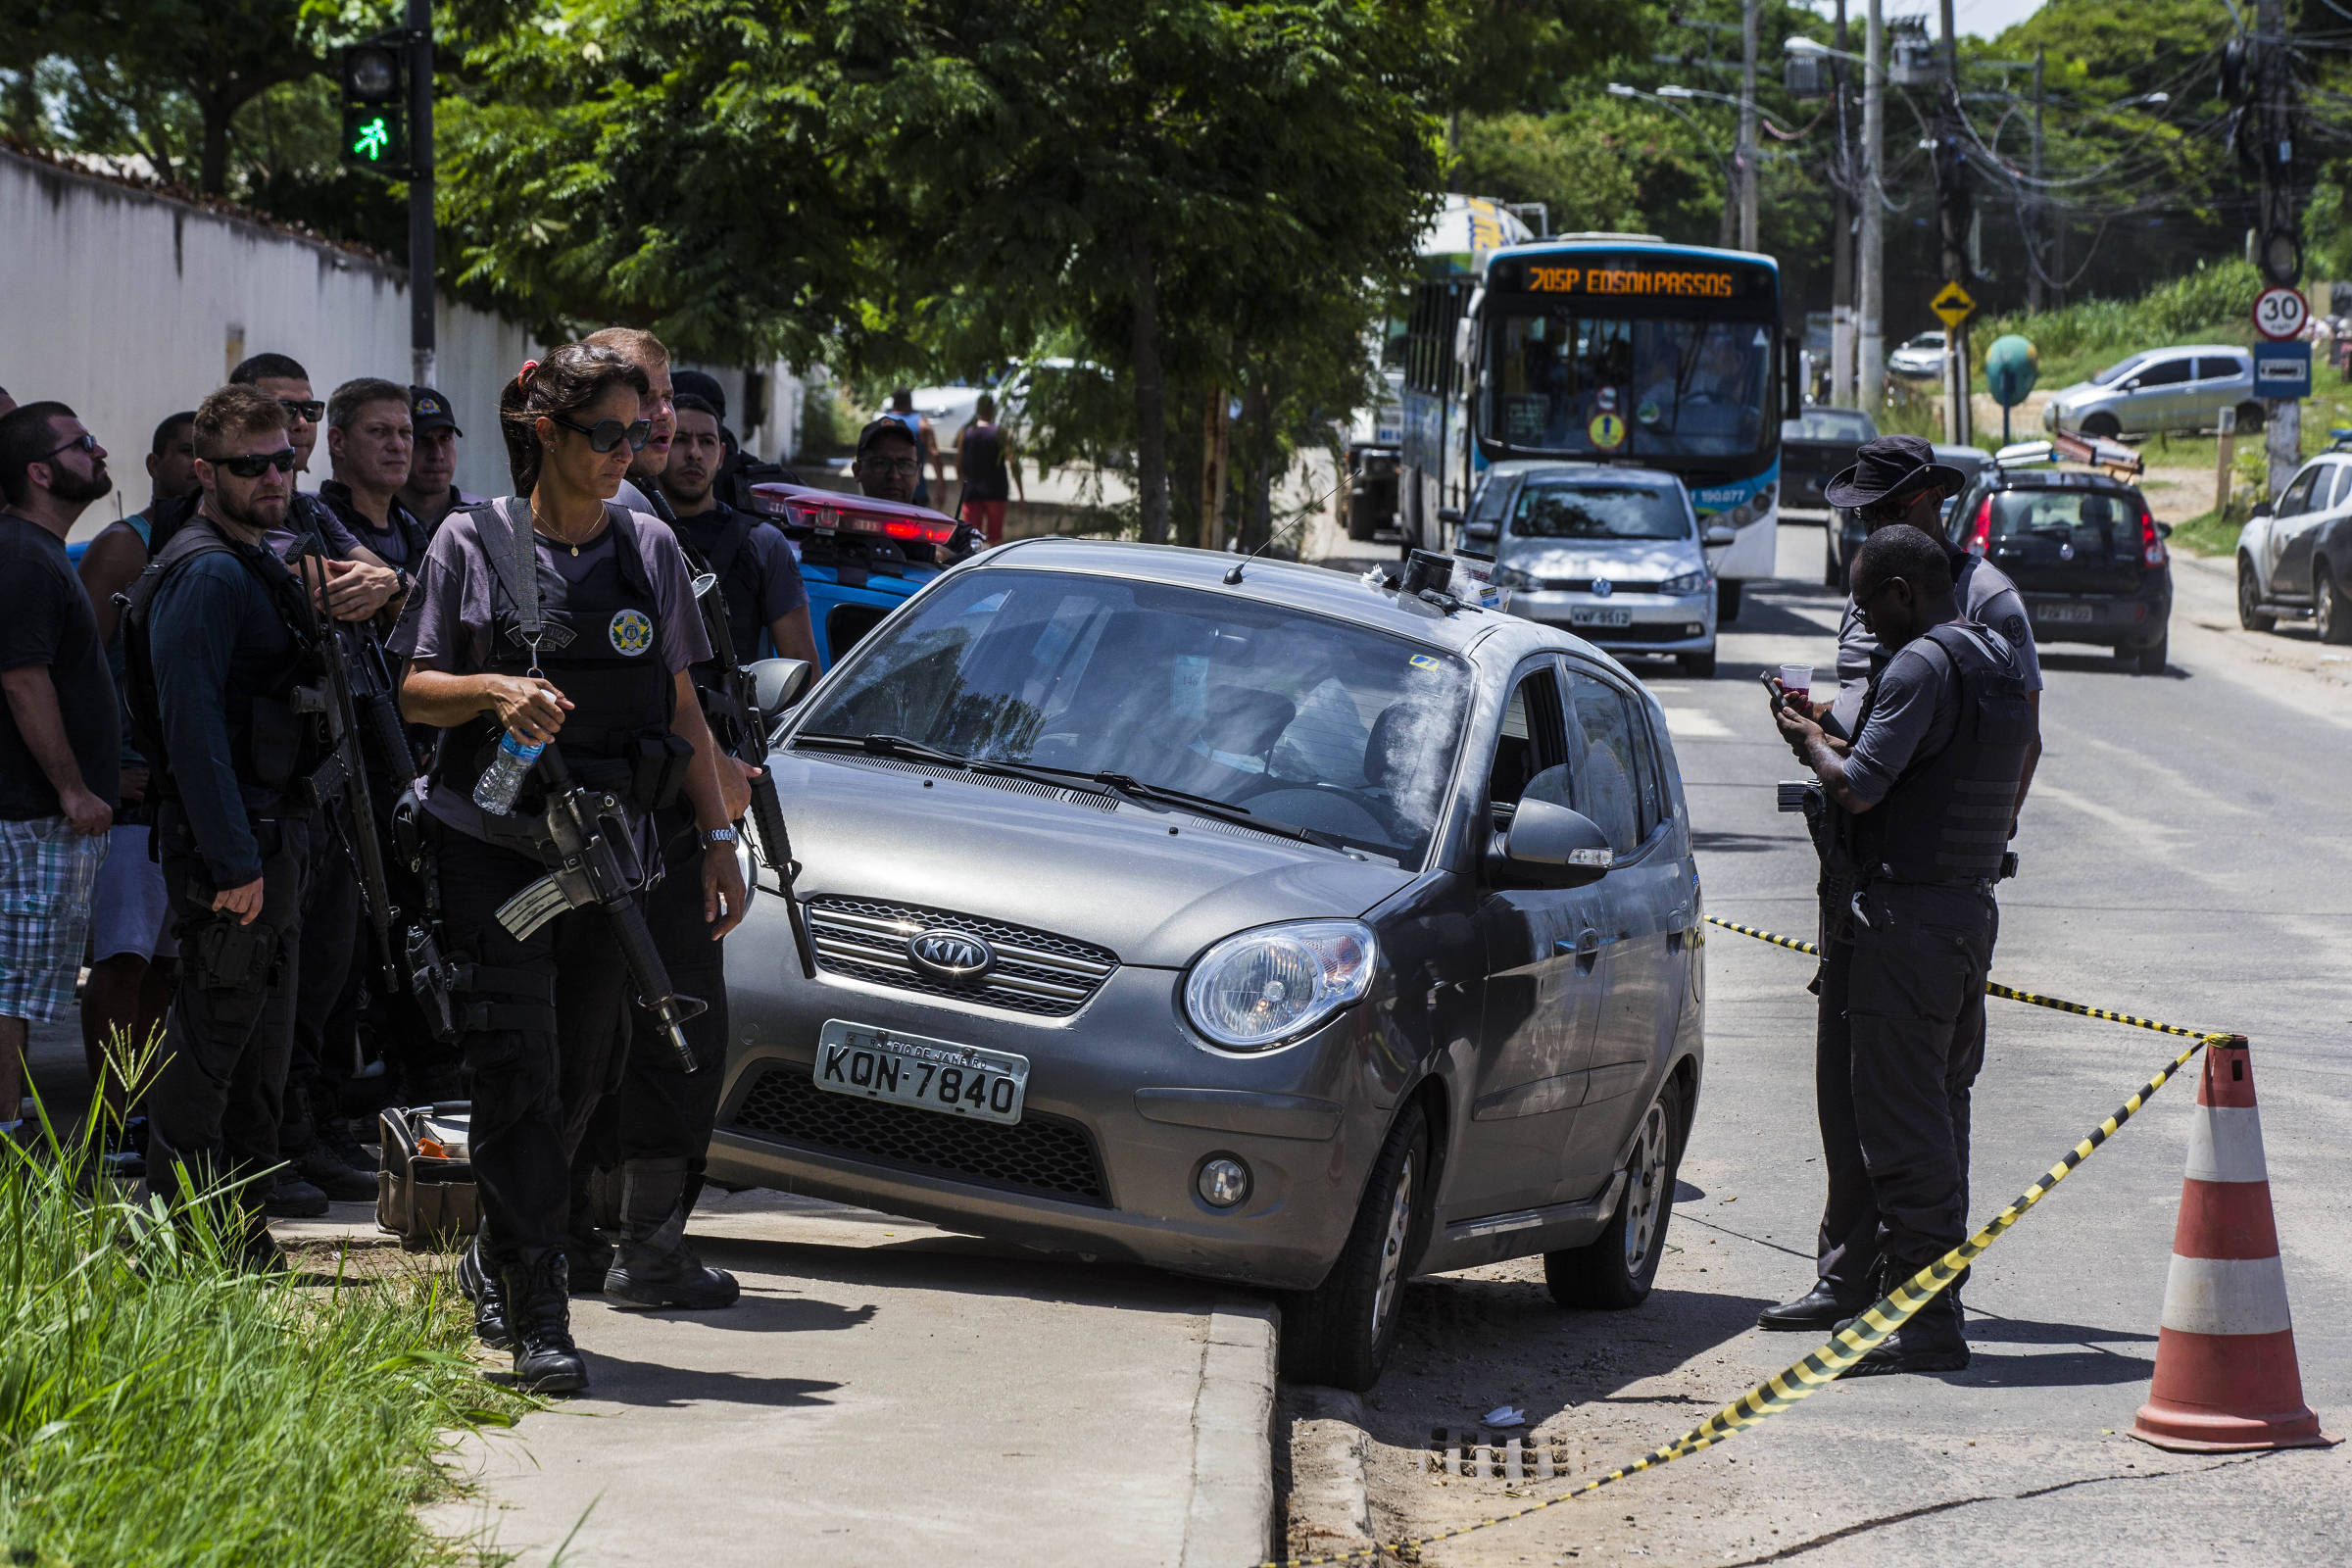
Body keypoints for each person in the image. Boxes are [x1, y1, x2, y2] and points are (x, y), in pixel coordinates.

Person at [391, 343, 748, 1393]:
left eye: (641, 436)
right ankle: (538, 1308)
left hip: (616, 856)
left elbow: (681, 702)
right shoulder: (473, 540)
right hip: (493, 846)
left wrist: (720, 837)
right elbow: (413, 686)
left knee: (585, 1072)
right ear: (547, 433)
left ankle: (507, 1247)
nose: (629, 456)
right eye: (607, 437)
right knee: (515, 1065)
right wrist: (496, 690)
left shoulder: (649, 547)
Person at [1758, 433, 2043, 1335]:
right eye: (1860, 517)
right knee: (1852, 1087)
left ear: (1923, 507)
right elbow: (1867, 716)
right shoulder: (1884, 594)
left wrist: (1968, 847)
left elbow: (2014, 740)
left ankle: (1919, 1299)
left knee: (1914, 1101)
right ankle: (1851, 1276)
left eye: (1879, 513)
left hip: (1918, 889)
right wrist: (1822, 723)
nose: (1865, 530)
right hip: (1864, 882)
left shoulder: (1978, 602)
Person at [124, 386, 333, 1267]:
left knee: (256, 1046)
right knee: (211, 1044)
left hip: (269, 834)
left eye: (284, 459)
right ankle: (179, 1233)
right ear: (206, 472)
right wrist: (233, 860)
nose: (273, 478)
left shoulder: (256, 558)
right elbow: (192, 730)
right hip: (235, 842)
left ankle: (230, 1224)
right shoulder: (206, 569)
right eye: (250, 466)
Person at [75, 412, 198, 1163]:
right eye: (183, 452)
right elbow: (74, 670)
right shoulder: (128, 545)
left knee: (164, 971)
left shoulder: (214, 546)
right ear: (154, 464)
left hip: (181, 802)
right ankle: (104, 1122)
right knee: (121, 964)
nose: (196, 467)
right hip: (125, 804)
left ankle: (143, 1112)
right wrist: (97, 771)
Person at [0, 403, 121, 1138]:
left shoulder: (39, 550)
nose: (99, 450)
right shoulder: (20, 554)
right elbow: (21, 679)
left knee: (14, 991)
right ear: (40, 471)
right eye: (82, 445)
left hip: (40, 820)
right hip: (28, 819)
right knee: (6, 993)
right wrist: (72, 788)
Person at [661, 393, 817, 667]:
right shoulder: (629, 533)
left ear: (721, 456)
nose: (694, 453)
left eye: (706, 442)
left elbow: (803, 671)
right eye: (680, 439)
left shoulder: (761, 543)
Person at [585, 327, 679, 523]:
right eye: (644, 399)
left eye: (668, 397)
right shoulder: (615, 505)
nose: (665, 413)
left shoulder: (641, 492)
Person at [399, 387, 485, 531]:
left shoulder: (483, 517)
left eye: (444, 438)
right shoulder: (379, 519)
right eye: (422, 440)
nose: (437, 455)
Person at [954, 394, 1024, 546]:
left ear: (977, 409)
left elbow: (958, 465)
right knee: (995, 540)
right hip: (996, 492)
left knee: (972, 540)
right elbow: (1013, 463)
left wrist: (963, 488)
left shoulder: (965, 433)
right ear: (993, 409)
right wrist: (1021, 494)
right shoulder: (1001, 433)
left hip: (972, 492)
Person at [885, 388, 943, 507]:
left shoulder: (883, 423)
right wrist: (941, 485)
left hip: (887, 494)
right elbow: (934, 454)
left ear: (894, 402)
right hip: (916, 493)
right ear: (910, 402)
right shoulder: (922, 424)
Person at [853, 415, 924, 505]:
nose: (894, 475)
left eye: (905, 465)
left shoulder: (934, 519)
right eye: (881, 464)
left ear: (918, 474)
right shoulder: (838, 518)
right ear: (857, 471)